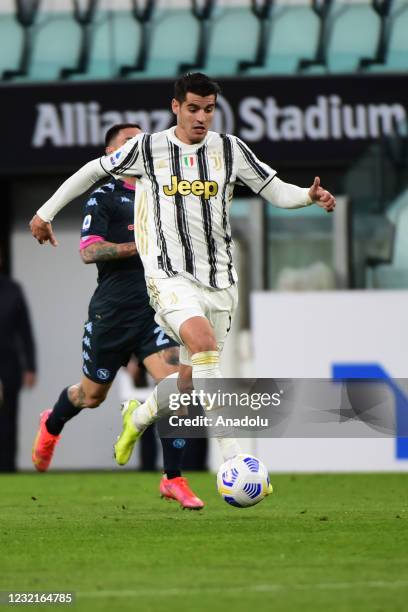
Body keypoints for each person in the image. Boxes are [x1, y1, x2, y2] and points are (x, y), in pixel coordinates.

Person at [30, 72, 336, 469]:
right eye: (193, 108)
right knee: (203, 345)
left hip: (221, 281)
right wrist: (45, 212)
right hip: (169, 279)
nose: (201, 117)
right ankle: (234, 459)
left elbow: (273, 189)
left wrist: (308, 196)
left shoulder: (229, 149)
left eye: (208, 110)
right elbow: (92, 171)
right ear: (176, 107)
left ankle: (137, 419)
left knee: (189, 382)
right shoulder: (149, 148)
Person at [31, 123, 204, 510]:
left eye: (143, 139)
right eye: (130, 141)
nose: (140, 146)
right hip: (112, 312)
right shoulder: (104, 195)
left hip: (156, 310)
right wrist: (140, 245)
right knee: (90, 396)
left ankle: (173, 478)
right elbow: (89, 252)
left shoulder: (161, 193)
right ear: (112, 154)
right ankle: (52, 422)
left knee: (179, 387)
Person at [0, 250, 37, 472]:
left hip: (8, 363)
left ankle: (6, 467)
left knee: (8, 418)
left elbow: (25, 331)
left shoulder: (13, 290)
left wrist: (30, 366)